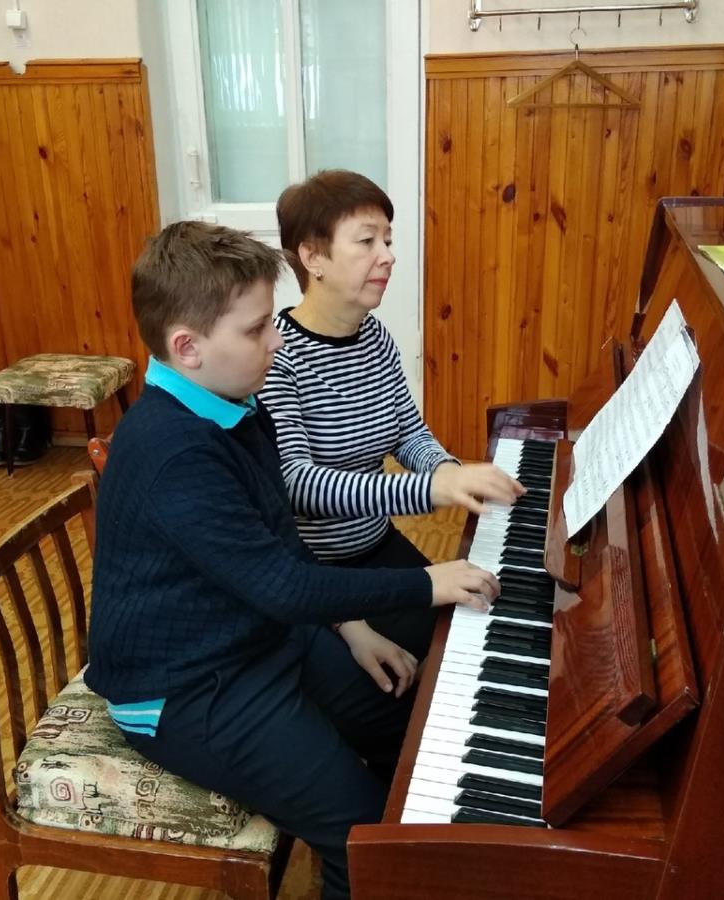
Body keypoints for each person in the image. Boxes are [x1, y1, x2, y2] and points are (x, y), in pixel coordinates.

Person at [84, 220, 500, 900]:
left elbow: (277, 543)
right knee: (361, 836)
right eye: (256, 330)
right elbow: (282, 585)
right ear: (187, 347)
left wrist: (353, 628)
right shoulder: (174, 451)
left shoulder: (234, 404)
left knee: (411, 722)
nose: (277, 341)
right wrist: (429, 582)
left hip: (256, 639)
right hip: (185, 688)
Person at [259, 169, 524, 661]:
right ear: (313, 257)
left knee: (473, 623)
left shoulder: (376, 338)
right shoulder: (278, 355)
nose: (388, 255)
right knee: (430, 664)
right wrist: (429, 489)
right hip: (316, 574)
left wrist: (448, 470)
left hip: (377, 546)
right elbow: (297, 484)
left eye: (388, 239)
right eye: (367, 241)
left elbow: (406, 432)